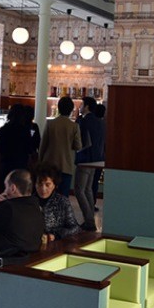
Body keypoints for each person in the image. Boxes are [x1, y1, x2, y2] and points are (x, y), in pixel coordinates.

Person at [38, 96, 82, 197]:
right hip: (66, 166)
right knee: (63, 197)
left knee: (48, 195)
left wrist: (40, 162)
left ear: (58, 108)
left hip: (49, 165)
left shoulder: (50, 124)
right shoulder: (74, 126)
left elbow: (43, 145)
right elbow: (78, 146)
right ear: (71, 110)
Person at [74, 97, 104, 230]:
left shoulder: (84, 121)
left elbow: (79, 140)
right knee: (88, 189)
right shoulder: (100, 122)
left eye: (81, 104)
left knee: (79, 189)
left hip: (85, 159)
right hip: (97, 159)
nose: (80, 107)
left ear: (86, 107)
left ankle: (89, 221)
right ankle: (90, 218)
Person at [33, 162, 81, 241]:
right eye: (40, 184)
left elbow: (75, 228)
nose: (43, 189)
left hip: (56, 244)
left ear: (55, 185)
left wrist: (56, 235)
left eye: (47, 185)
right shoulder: (29, 202)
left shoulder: (62, 202)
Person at [0, 103, 39, 175]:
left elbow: (0, 148)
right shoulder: (25, 130)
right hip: (21, 164)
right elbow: (28, 147)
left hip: (6, 164)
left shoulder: (3, 129)